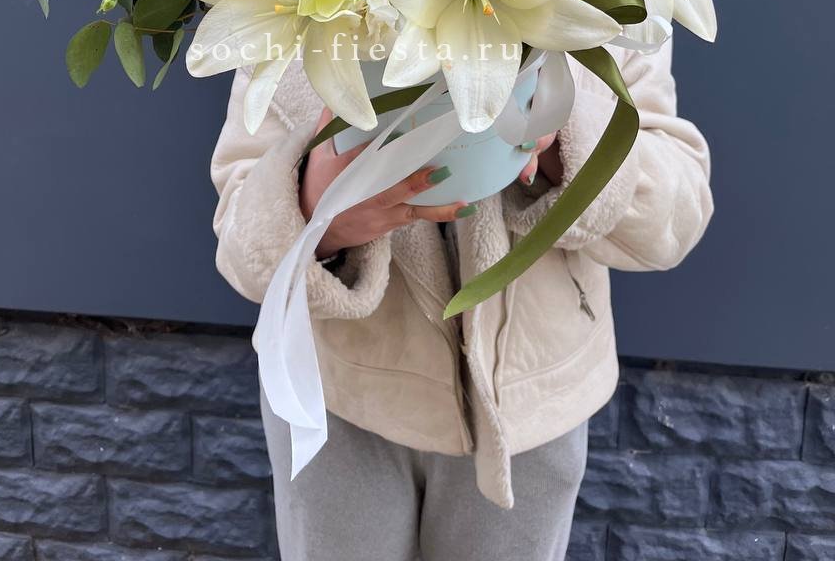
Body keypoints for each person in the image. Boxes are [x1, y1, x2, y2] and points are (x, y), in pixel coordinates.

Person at [210, 37, 713, 561]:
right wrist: (317, 214)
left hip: (531, 406)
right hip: (339, 400)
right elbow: (242, 248)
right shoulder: (294, 12)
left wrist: (564, 136)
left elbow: (675, 220)